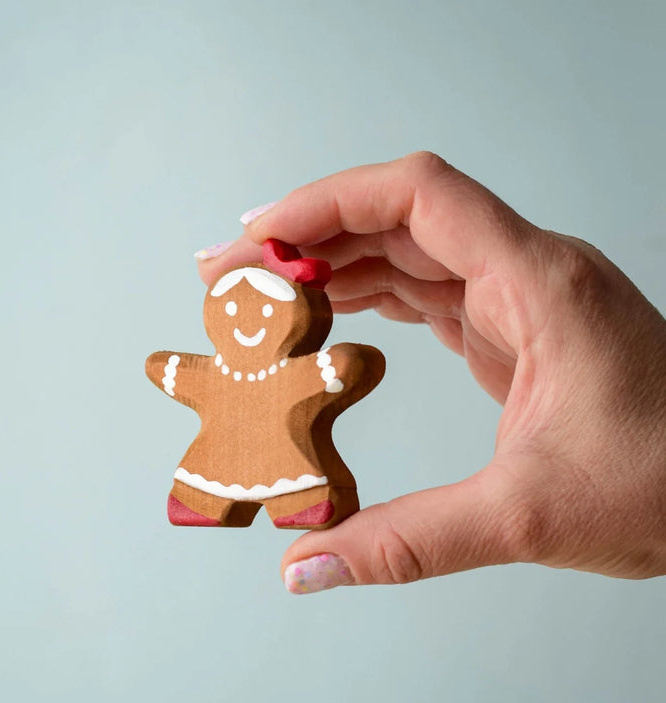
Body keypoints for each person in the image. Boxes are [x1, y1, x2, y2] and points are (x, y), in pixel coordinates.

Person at [194, 152, 666, 594]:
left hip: (291, 467)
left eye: (258, 307)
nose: (246, 320)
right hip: (216, 461)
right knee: (208, 479)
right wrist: (177, 371)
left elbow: (327, 374)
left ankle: (293, 501)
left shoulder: (293, 368)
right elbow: (195, 379)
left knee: (297, 484)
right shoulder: (227, 369)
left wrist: (333, 371)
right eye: (232, 308)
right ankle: (201, 500)